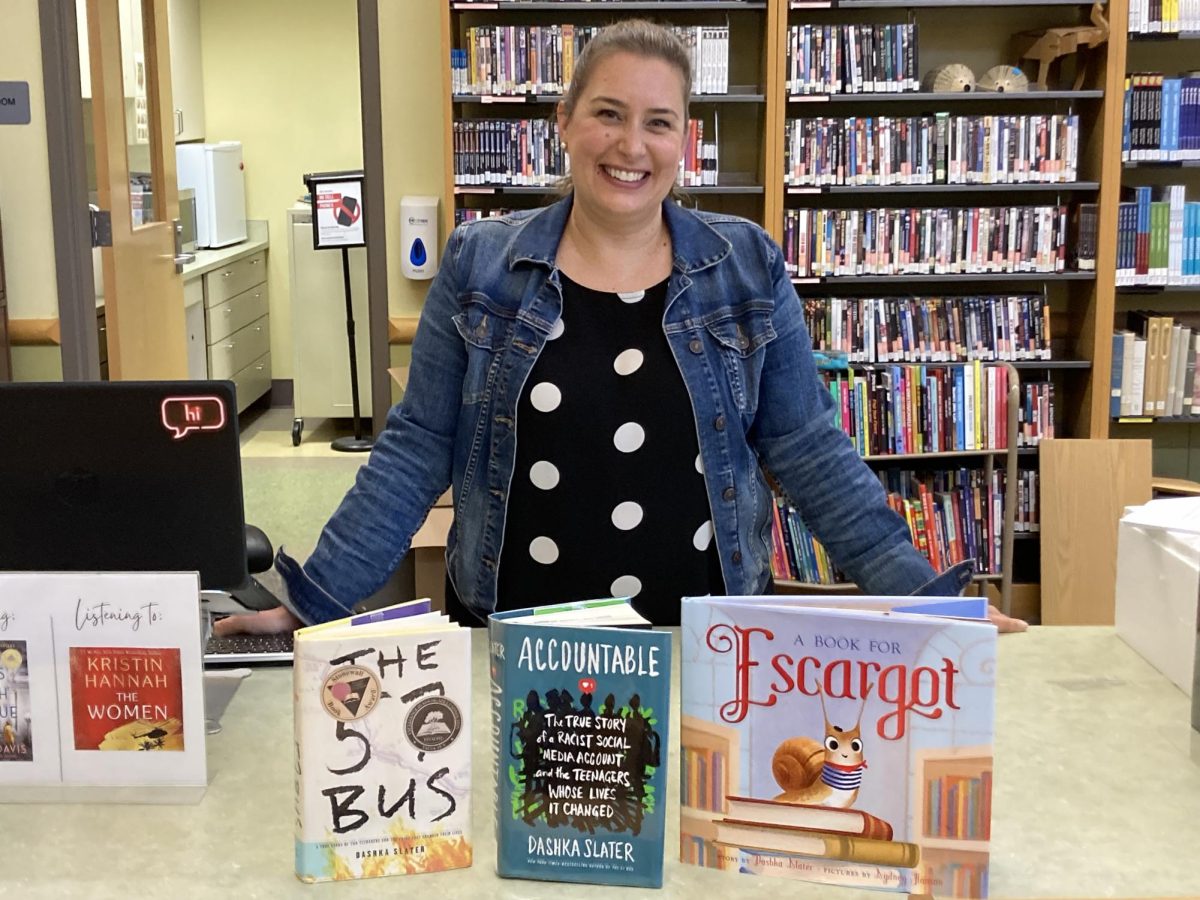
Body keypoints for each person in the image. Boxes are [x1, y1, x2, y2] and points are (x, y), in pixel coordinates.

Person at [216, 20, 1025, 637]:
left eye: (658, 122)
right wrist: (310, 599)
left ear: (686, 141)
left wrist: (932, 609)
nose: (631, 145)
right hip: (518, 642)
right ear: (564, 121)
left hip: (707, 647)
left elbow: (810, 454)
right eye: (607, 113)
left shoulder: (746, 268)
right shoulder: (480, 265)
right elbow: (417, 448)